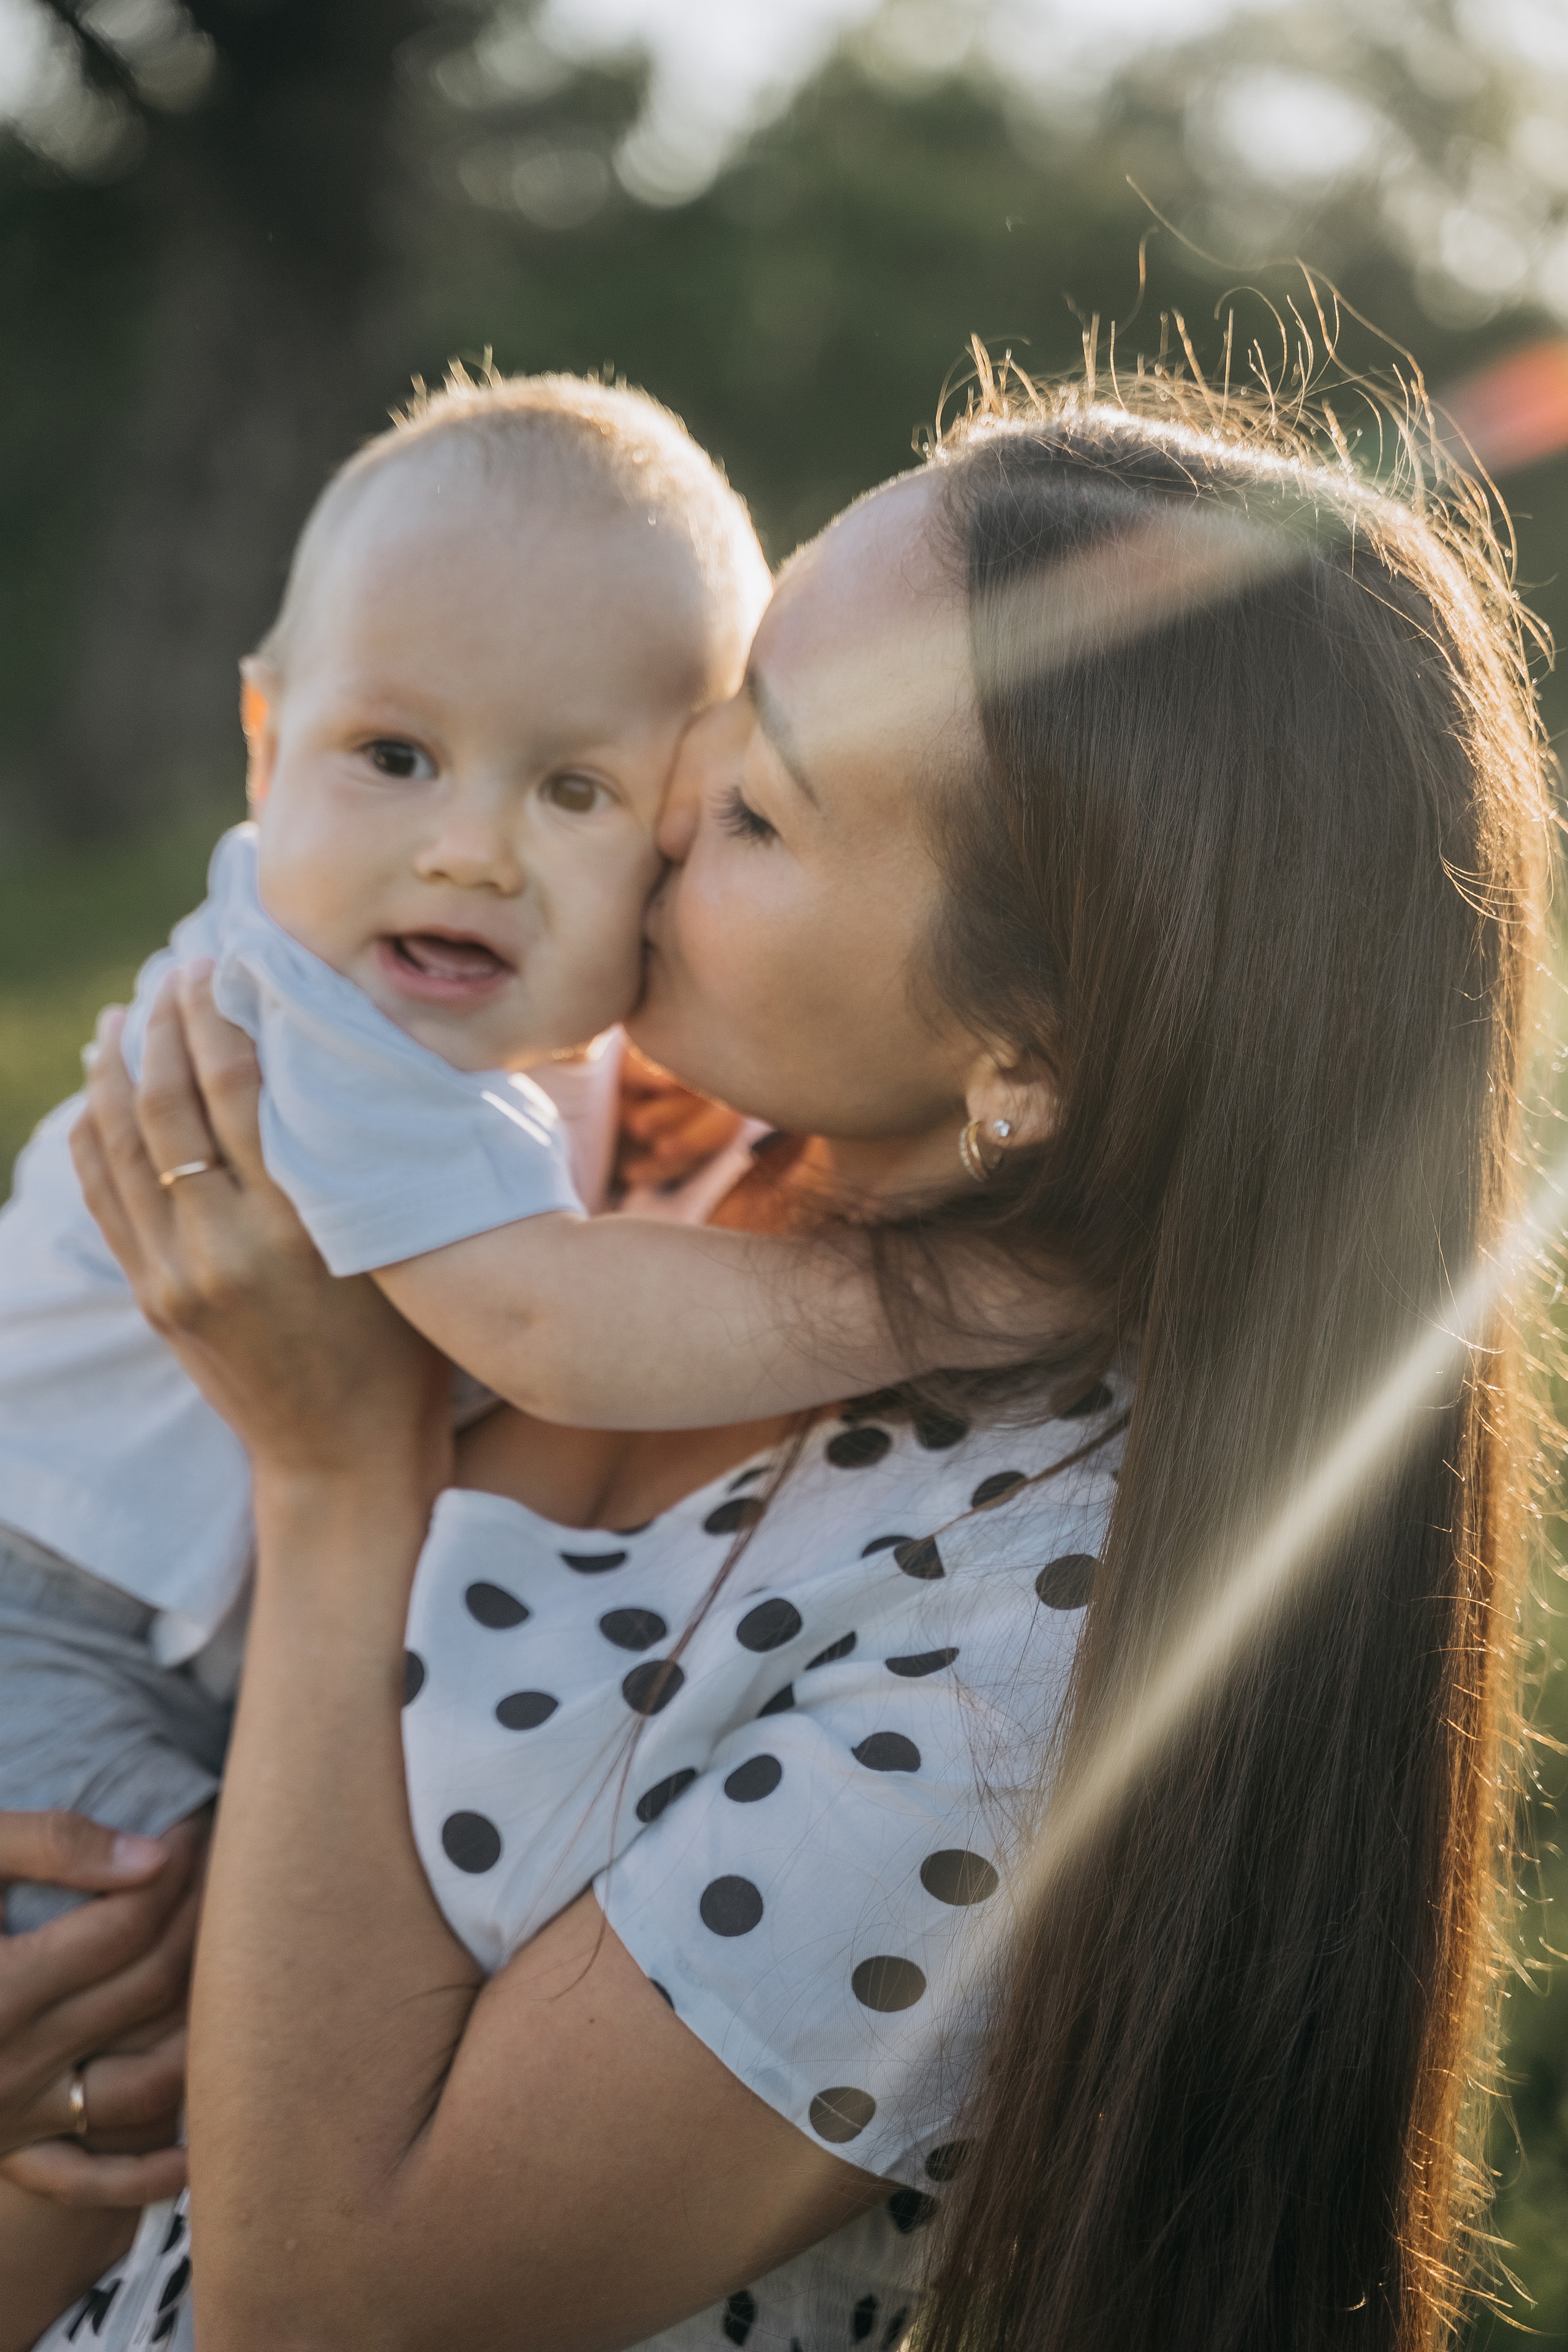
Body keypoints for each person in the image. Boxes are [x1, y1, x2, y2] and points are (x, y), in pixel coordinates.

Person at [34, 369, 1556, 2352]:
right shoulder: (637, 1139)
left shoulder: (1026, 1631)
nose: (653, 804)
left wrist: (340, 1486)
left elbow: (327, 2301)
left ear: (1033, 1055)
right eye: (716, 711)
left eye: (753, 804)